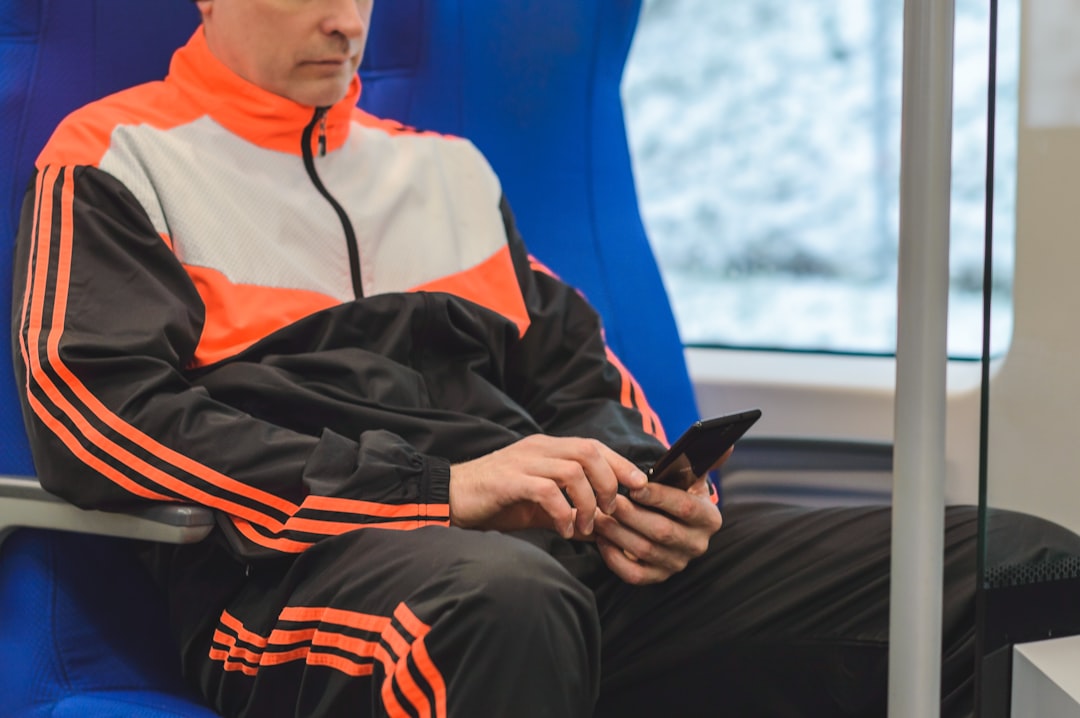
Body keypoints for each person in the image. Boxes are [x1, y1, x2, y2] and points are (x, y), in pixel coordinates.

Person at [12, 0, 1080, 716]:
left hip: (562, 563)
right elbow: (98, 420)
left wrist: (650, 492)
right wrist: (440, 492)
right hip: (306, 578)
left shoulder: (449, 175)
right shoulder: (116, 159)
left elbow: (583, 382)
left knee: (1013, 564)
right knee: (505, 606)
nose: (347, 20)